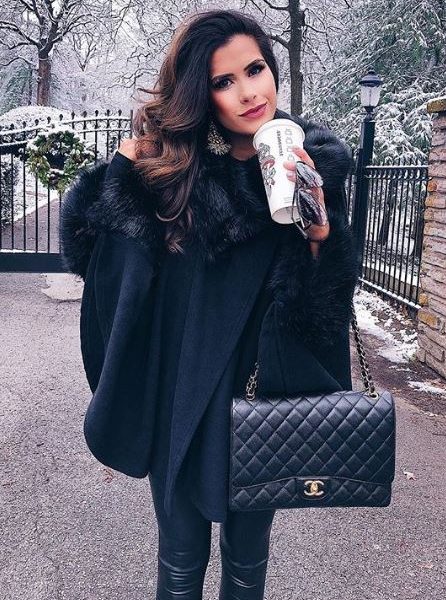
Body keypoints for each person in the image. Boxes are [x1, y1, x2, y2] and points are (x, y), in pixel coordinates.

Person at [60, 8, 359, 600]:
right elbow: (111, 276)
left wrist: (320, 235)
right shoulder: (175, 171)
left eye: (256, 69)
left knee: (247, 561)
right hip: (181, 393)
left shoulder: (313, 164)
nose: (249, 92)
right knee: (180, 558)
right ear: (203, 94)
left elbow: (322, 313)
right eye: (225, 81)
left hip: (261, 394)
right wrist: (124, 177)